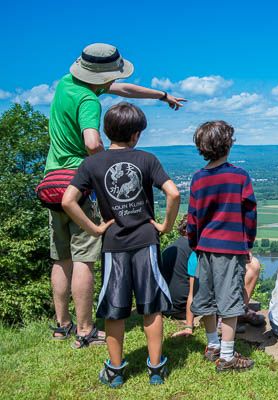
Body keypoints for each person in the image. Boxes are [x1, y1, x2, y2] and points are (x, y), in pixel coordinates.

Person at [46, 43, 185, 349]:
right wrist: (106, 163)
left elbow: (123, 90)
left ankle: (62, 326)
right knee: (84, 258)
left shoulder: (67, 85)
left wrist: (161, 96)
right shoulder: (88, 101)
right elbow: (93, 142)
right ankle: (84, 330)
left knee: (61, 257)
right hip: (79, 182)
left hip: (52, 182)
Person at [62, 102, 180, 387]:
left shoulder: (92, 163)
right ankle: (155, 368)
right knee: (151, 306)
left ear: (106, 130)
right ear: (136, 134)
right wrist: (165, 226)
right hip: (146, 241)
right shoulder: (147, 159)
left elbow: (67, 201)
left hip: (113, 244)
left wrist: (95, 228)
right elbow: (173, 194)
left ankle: (115, 371)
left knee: (114, 308)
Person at [187, 120, 257, 372]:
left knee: (206, 297)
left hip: (204, 247)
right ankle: (227, 356)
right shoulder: (239, 176)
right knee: (229, 300)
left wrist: (195, 244)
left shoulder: (197, 179)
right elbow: (249, 214)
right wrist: (247, 242)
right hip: (230, 247)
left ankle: (212, 345)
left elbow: (193, 218)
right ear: (228, 145)